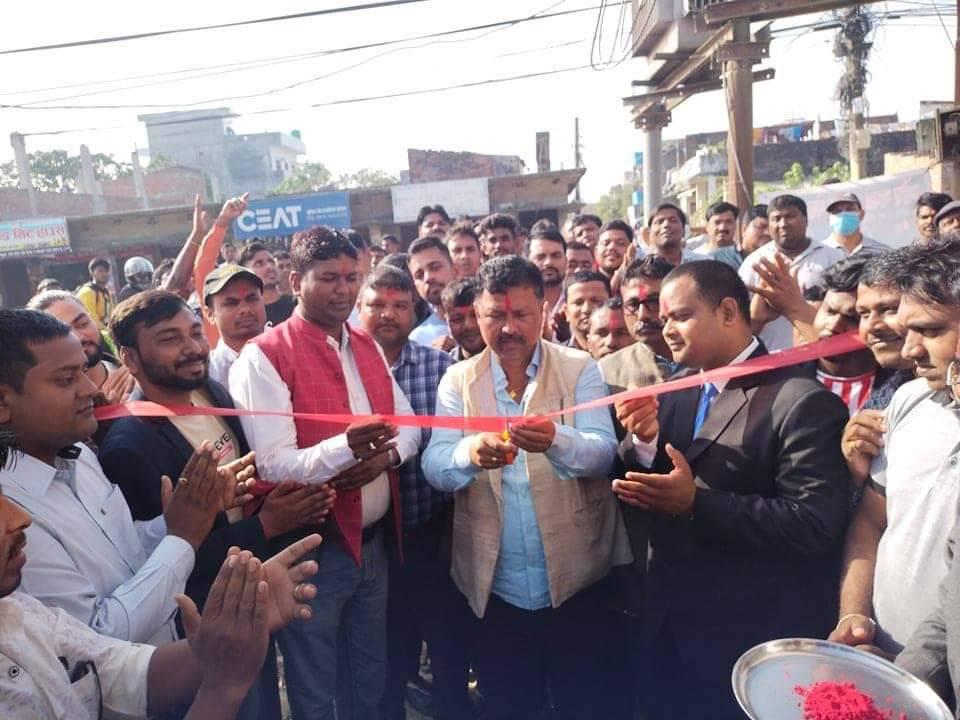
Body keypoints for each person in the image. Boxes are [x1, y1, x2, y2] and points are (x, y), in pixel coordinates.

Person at [613, 260, 850, 718]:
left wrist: (696, 504)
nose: (667, 330)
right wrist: (642, 441)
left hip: (746, 639)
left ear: (727, 311)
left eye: (681, 316)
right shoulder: (678, 388)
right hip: (670, 628)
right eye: (665, 319)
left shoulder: (799, 399)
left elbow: (815, 523)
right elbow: (650, 475)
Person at [422, 255, 629, 718]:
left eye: (521, 314)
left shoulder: (579, 368)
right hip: (497, 586)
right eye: (495, 315)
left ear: (543, 310)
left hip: (578, 579)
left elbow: (602, 453)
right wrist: (469, 454)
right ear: (477, 314)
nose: (508, 328)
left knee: (585, 704)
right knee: (511, 704)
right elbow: (435, 465)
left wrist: (557, 440)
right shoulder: (458, 379)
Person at [229, 225, 421, 720]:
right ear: (296, 281)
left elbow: (410, 427)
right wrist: (346, 449)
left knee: (368, 677)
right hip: (313, 550)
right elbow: (273, 463)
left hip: (375, 545)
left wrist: (384, 459)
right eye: (329, 278)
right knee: (314, 686)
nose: (343, 290)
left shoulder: (366, 344)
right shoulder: (264, 355)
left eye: (352, 277)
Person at [0, 465, 324, 720]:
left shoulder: (19, 613)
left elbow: (116, 671)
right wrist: (223, 686)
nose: (21, 519)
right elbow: (106, 632)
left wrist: (227, 634)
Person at [0, 309, 240, 647]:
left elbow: (125, 547)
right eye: (66, 379)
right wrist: (182, 537)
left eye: (84, 371)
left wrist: (178, 518)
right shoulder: (10, 514)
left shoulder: (80, 455)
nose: (90, 388)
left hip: (164, 661)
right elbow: (95, 639)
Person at [829, 237, 960, 658]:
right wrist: (853, 618)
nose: (910, 350)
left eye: (931, 331)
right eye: (909, 331)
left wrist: (915, 671)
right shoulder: (908, 401)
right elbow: (871, 522)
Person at [355, 266, 473, 720]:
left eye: (400, 305)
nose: (388, 314)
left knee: (446, 644)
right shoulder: (342, 371)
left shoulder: (441, 369)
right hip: (370, 539)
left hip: (431, 531)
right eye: (377, 305)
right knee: (385, 652)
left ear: (415, 311)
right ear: (359, 309)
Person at [740, 194, 845, 351]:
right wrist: (757, 318)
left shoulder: (833, 257)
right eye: (776, 219)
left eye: (790, 217)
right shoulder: (754, 263)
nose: (783, 224)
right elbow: (741, 319)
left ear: (805, 220)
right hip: (770, 356)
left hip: (820, 353)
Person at [808, 256, 886, 415]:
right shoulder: (783, 379)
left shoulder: (902, 385)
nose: (834, 326)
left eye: (852, 318)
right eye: (830, 311)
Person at [27, 291, 134, 406]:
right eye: (63, 334)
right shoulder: (47, 408)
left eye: (83, 324)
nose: (78, 338)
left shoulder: (136, 376)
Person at [598, 256, 669, 391]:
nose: (643, 315)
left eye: (654, 302)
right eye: (633, 305)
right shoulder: (607, 372)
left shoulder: (704, 359)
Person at [202, 265, 267, 387]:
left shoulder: (289, 350)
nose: (245, 309)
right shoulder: (205, 374)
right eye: (231, 303)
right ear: (209, 314)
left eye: (252, 299)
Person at [407, 236, 456, 351]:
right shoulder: (417, 341)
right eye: (419, 275)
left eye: (435, 268)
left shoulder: (485, 319)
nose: (428, 278)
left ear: (454, 269)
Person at [239, 242, 296, 327]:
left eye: (271, 261)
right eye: (259, 264)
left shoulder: (296, 306)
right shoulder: (245, 315)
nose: (269, 267)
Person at [526, 227, 568, 337]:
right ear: (528, 262)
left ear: (566, 261)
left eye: (556, 256)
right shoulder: (520, 304)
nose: (548, 262)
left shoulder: (577, 302)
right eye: (540, 257)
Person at [822, 193, 887, 256]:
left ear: (861, 214)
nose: (843, 215)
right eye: (837, 211)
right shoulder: (819, 254)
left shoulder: (882, 253)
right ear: (828, 218)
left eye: (849, 209)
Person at [710, 204, 771, 270]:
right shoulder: (717, 258)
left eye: (771, 228)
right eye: (761, 227)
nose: (767, 233)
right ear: (744, 229)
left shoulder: (775, 260)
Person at [563, 270, 611, 353]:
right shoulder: (557, 356)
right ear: (566, 312)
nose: (586, 309)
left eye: (596, 301)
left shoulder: (626, 352)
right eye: (578, 303)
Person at [442, 278, 486, 362]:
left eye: (475, 315)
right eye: (457, 319)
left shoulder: (508, 362)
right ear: (446, 321)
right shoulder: (444, 365)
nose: (468, 326)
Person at [76, 257, 113, 330]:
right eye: (100, 271)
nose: (104, 274)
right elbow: (91, 319)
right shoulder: (87, 292)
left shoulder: (106, 292)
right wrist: (108, 331)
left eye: (107, 271)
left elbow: (111, 315)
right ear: (92, 273)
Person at [595, 219, 634, 284]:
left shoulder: (643, 281)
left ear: (632, 249)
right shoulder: (583, 281)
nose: (611, 247)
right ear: (595, 251)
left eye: (620, 243)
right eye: (606, 243)